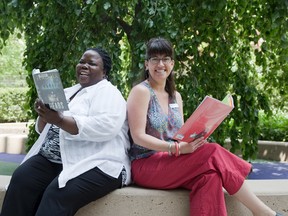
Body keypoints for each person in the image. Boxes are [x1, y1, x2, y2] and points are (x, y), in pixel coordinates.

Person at [127, 37, 283, 216]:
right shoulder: (141, 91)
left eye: (165, 59)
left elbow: (179, 134)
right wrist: (175, 148)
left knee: (210, 177)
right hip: (146, 165)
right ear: (147, 64)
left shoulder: (176, 96)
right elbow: (138, 135)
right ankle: (263, 212)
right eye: (155, 59)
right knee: (213, 151)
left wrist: (197, 135)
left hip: (171, 161)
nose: (160, 64)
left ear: (172, 64)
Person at [0, 47, 131, 216]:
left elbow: (105, 127)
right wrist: (44, 115)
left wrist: (59, 120)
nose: (84, 66)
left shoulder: (110, 93)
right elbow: (43, 130)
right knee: (21, 179)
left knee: (56, 194)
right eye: (81, 62)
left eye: (91, 63)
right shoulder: (69, 91)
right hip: (55, 159)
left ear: (104, 71)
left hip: (95, 162)